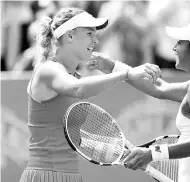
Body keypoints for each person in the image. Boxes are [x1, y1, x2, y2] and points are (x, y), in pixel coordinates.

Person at [19, 7, 161, 182]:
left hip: (71, 176)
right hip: (44, 176)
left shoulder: (75, 76)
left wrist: (122, 153)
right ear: (69, 36)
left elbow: (75, 138)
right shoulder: (49, 70)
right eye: (89, 33)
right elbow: (79, 89)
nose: (95, 39)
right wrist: (126, 74)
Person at [89, 19, 190, 182]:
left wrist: (152, 153)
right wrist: (112, 66)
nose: (174, 48)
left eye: (180, 43)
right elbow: (159, 88)